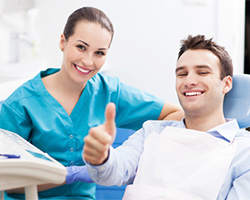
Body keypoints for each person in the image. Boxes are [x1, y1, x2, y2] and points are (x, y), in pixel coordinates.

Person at [0, 6, 184, 200]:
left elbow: (175, 114)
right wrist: (68, 175)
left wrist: (128, 155)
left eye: (99, 53)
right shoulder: (21, 104)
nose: (88, 61)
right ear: (63, 42)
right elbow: (5, 179)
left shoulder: (109, 92)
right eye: (81, 47)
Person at [83, 35, 250, 199]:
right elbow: (114, 171)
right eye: (182, 74)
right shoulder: (151, 132)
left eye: (202, 72)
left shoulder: (244, 152)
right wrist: (101, 157)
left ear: (226, 84)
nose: (189, 80)